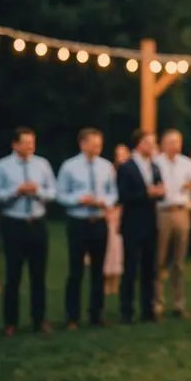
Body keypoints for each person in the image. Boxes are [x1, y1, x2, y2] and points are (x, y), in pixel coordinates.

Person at [0, 127, 57, 336]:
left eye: (32, 142)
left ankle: (39, 319)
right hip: (14, 223)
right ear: (15, 144)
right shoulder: (2, 166)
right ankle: (11, 322)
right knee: (13, 275)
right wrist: (16, 191)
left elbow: (52, 192)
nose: (31, 146)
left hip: (37, 222)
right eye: (26, 142)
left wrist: (37, 191)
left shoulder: (42, 164)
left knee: (38, 275)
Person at [57, 128, 117, 330]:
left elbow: (113, 192)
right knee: (76, 270)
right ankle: (72, 316)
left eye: (99, 144)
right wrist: (78, 200)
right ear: (82, 144)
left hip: (99, 222)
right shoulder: (69, 167)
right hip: (78, 222)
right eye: (93, 144)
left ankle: (96, 314)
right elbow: (60, 195)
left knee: (99, 271)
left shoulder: (106, 166)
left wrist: (104, 202)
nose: (97, 147)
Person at [154, 129, 191, 319]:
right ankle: (156, 304)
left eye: (178, 142)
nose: (176, 145)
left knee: (179, 262)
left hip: (182, 213)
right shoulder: (156, 162)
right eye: (172, 142)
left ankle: (179, 304)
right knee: (159, 260)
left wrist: (188, 185)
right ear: (163, 143)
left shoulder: (186, 163)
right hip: (162, 212)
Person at [118, 130, 164, 323]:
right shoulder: (126, 167)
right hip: (132, 223)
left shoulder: (154, 166)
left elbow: (159, 191)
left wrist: (159, 192)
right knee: (130, 268)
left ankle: (148, 310)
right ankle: (126, 311)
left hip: (151, 223)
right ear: (138, 144)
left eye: (154, 142)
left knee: (149, 268)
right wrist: (147, 193)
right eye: (148, 142)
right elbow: (123, 195)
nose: (152, 146)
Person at [103, 144, 130, 294]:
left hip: (123, 212)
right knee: (110, 249)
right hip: (111, 212)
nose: (121, 157)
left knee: (119, 250)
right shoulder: (111, 170)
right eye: (118, 154)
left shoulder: (131, 171)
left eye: (124, 154)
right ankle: (107, 281)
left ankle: (117, 282)